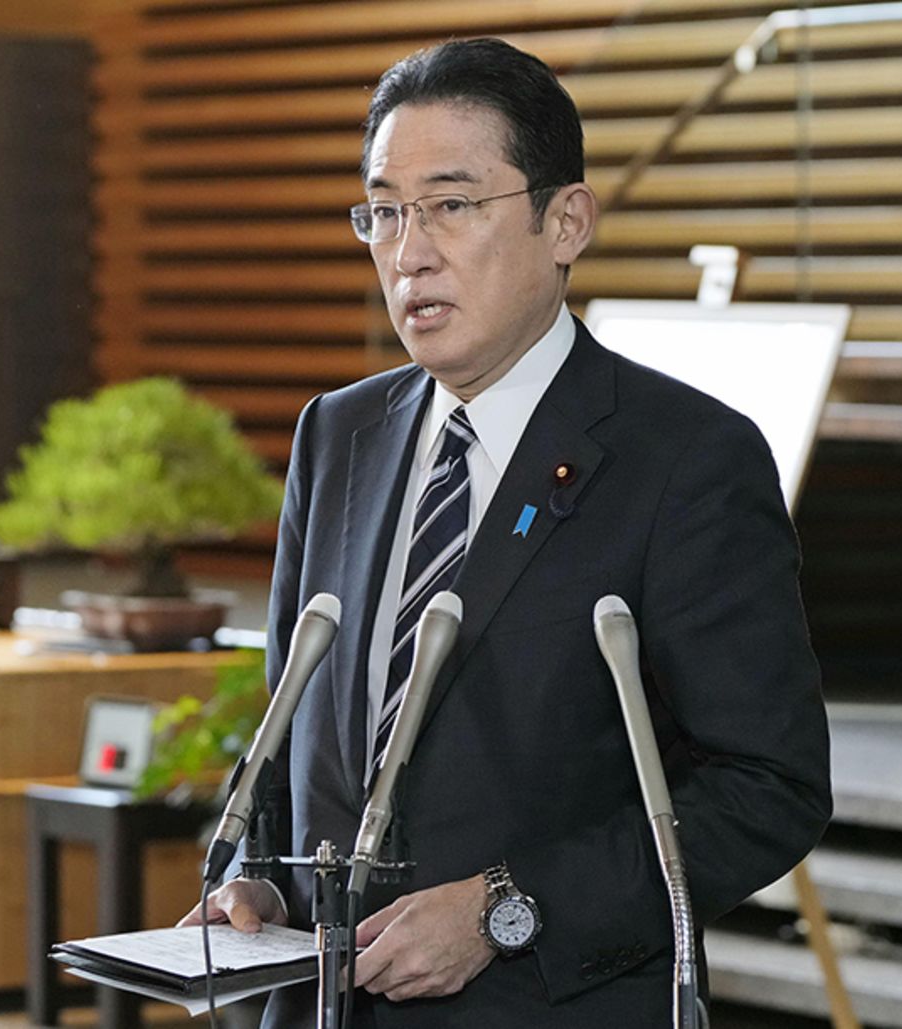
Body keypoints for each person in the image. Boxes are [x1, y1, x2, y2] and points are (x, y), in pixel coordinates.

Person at [182, 36, 832, 1027]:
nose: (408, 252)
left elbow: (764, 785)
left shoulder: (683, 460)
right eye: (384, 212)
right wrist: (254, 879)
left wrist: (504, 909)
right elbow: (290, 731)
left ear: (563, 220)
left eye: (450, 204)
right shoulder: (338, 434)